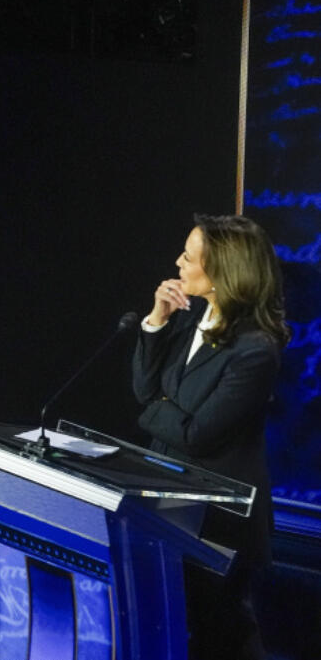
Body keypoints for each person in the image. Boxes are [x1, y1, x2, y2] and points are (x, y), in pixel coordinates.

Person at [133, 214, 289, 660]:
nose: (178, 263)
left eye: (189, 256)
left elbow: (198, 435)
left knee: (222, 636)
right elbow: (146, 390)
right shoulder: (189, 320)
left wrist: (154, 408)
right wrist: (157, 321)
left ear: (221, 271)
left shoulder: (255, 350)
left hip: (219, 519)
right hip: (169, 505)